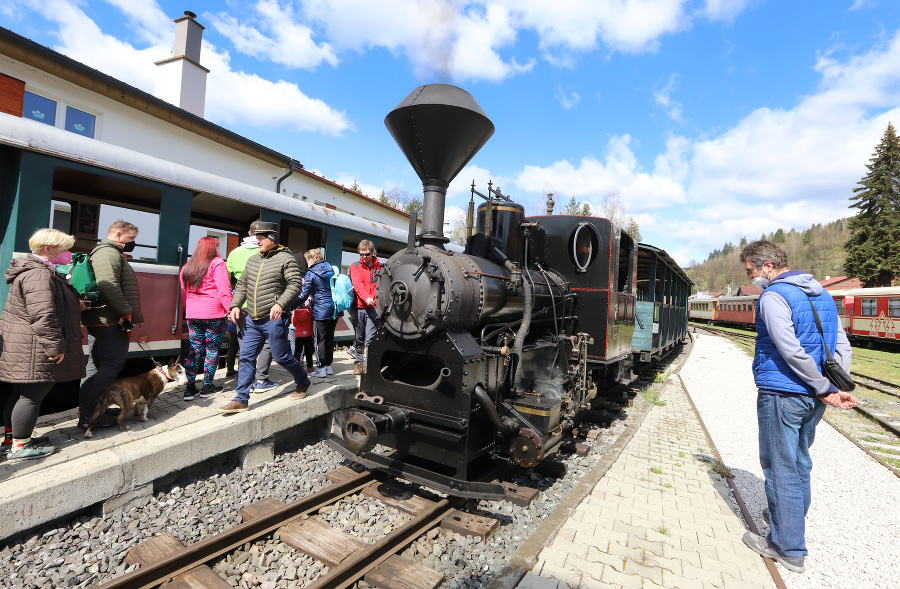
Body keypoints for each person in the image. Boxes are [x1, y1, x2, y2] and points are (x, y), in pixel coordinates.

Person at [739, 240, 858, 574]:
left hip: (783, 393)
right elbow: (841, 344)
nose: (751, 278)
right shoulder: (821, 294)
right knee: (800, 460)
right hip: (813, 397)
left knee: (781, 466)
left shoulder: (774, 296)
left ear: (766, 266)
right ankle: (789, 520)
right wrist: (835, 386)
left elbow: (789, 349)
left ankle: (786, 545)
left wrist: (825, 388)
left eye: (751, 271)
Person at [0, 229, 85, 458]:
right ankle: (20, 447)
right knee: (31, 396)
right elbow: (43, 314)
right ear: (48, 249)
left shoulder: (37, 271)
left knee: (21, 394)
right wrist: (55, 346)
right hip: (34, 345)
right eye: (65, 249)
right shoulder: (39, 274)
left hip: (26, 343)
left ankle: (13, 439)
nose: (68, 253)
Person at [219, 222, 311, 412]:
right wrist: (235, 305)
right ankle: (241, 399)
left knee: (281, 356)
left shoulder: (287, 259)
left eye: (261, 238)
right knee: (246, 357)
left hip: (274, 318)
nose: (257, 241)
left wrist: (280, 304)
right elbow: (242, 284)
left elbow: (295, 284)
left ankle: (303, 381)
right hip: (252, 319)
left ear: (272, 239)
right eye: (257, 237)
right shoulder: (253, 260)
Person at [79, 220, 143, 430]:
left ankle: (90, 413)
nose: (132, 243)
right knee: (110, 366)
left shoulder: (109, 252)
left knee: (96, 366)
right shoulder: (108, 253)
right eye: (130, 239)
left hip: (103, 319)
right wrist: (125, 311)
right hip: (109, 320)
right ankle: (90, 415)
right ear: (117, 234)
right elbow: (108, 285)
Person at [226, 221, 277, 390]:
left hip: (242, 305)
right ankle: (261, 379)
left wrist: (234, 302)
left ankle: (245, 378)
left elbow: (228, 279)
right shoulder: (266, 251)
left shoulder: (235, 253)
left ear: (249, 233)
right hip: (265, 304)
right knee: (267, 341)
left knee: (244, 341)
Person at [180, 237, 232, 400]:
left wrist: (188, 311)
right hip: (213, 314)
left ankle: (190, 389)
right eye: (217, 247)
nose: (218, 250)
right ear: (213, 249)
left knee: (194, 349)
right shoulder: (217, 263)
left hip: (193, 314)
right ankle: (207, 387)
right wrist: (230, 310)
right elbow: (224, 290)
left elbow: (183, 292)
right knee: (212, 350)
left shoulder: (187, 267)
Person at [297, 249, 336, 378]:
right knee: (329, 339)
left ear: (311, 259)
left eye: (307, 259)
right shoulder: (329, 268)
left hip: (320, 309)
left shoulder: (311, 272)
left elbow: (304, 294)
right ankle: (328, 367)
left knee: (319, 339)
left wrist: (291, 304)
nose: (306, 262)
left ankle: (320, 368)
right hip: (333, 308)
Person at [349, 240, 382, 375]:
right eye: (361, 254)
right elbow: (358, 285)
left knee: (371, 338)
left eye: (367, 254)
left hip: (374, 307)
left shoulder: (380, 267)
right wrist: (365, 297)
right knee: (359, 337)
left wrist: (372, 299)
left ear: (372, 253)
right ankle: (358, 363)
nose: (363, 257)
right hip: (359, 306)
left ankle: (369, 364)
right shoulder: (355, 266)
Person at [291, 279, 315, 370]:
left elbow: (294, 322)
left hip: (298, 333)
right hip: (308, 334)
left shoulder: (296, 312)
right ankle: (310, 367)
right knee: (308, 351)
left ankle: (296, 365)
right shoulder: (309, 311)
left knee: (297, 349)